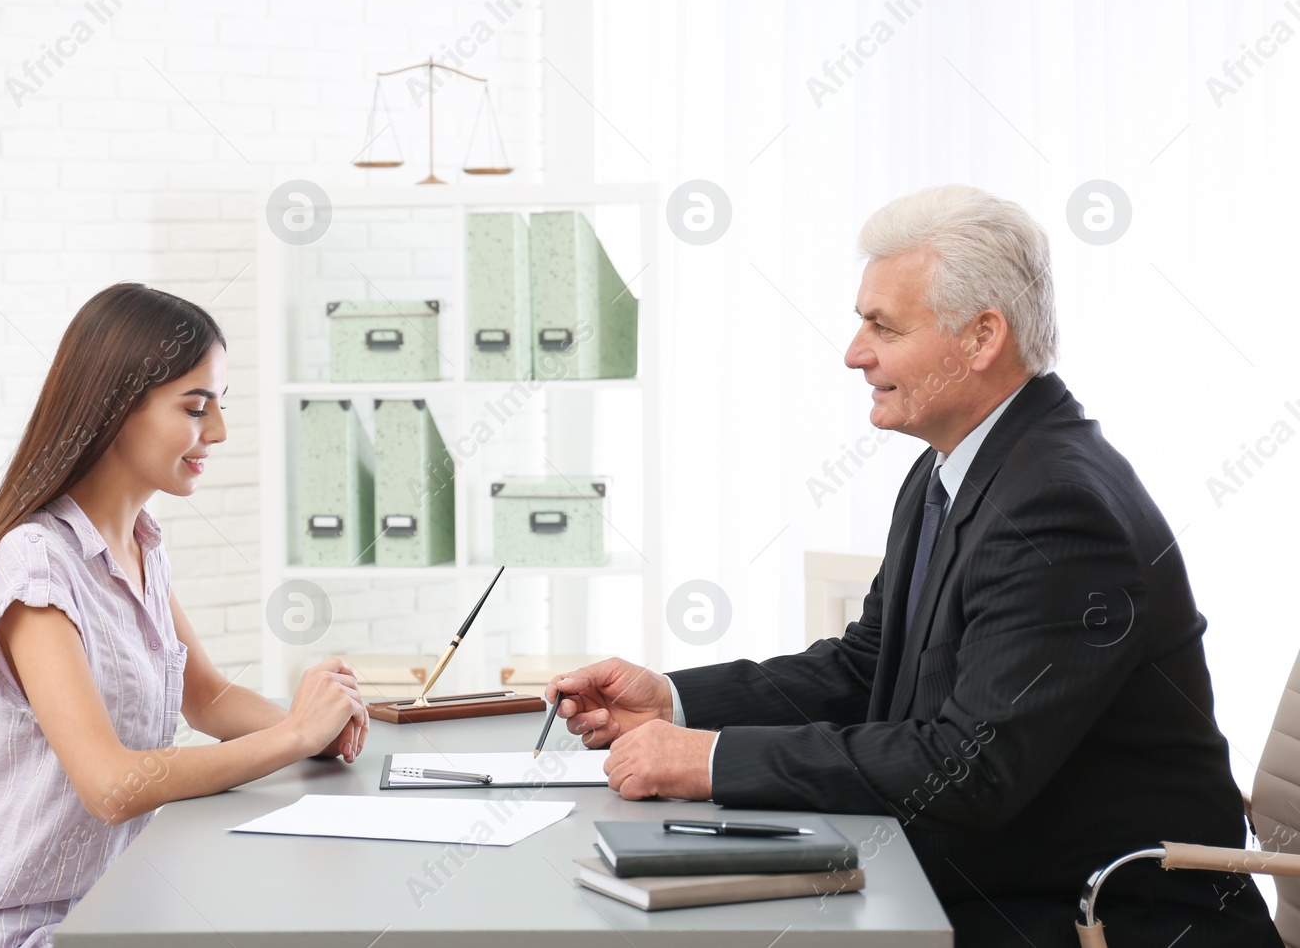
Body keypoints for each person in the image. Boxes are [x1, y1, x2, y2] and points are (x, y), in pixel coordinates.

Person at [546, 186, 1281, 946]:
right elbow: (870, 666)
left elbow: (968, 767)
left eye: (881, 326)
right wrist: (675, 702)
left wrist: (711, 760)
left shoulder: (1060, 507)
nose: (854, 351)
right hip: (992, 881)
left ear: (981, 337)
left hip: (1107, 918)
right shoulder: (951, 469)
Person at [0, 283, 368, 948]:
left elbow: (208, 696)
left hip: (109, 910)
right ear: (117, 407)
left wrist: (313, 724)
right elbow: (111, 786)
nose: (221, 432)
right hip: (5, 928)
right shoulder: (37, 563)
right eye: (197, 407)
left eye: (220, 406)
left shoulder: (140, 543)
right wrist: (289, 738)